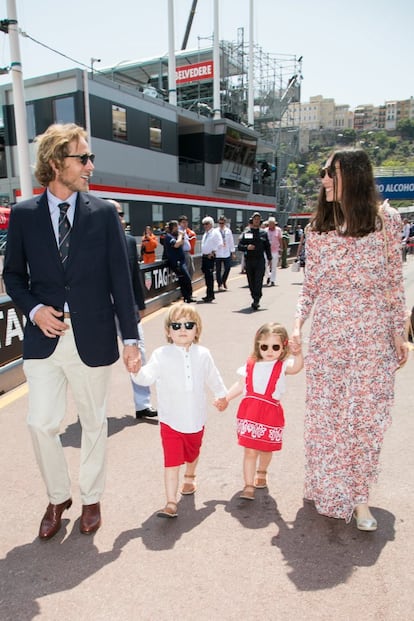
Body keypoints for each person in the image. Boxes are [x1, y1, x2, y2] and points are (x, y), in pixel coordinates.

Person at [3, 123, 141, 539]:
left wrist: (131, 338)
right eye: (82, 158)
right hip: (44, 340)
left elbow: (121, 278)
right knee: (40, 423)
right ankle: (58, 495)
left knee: (94, 423)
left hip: (93, 336)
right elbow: (13, 277)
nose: (90, 167)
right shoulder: (25, 215)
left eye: (90, 158)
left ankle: (91, 497)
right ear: (54, 163)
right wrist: (35, 309)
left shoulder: (102, 214)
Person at [291, 147, 408, 532]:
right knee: (327, 417)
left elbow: (394, 283)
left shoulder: (387, 222)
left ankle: (359, 497)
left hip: (372, 336)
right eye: (324, 172)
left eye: (330, 172)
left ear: (353, 177)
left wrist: (399, 334)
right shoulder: (317, 228)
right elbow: (310, 287)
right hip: (329, 336)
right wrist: (297, 327)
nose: (323, 178)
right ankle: (326, 483)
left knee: (364, 419)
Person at [131, 303, 227, 518]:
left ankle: (190, 477)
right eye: (176, 325)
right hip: (170, 421)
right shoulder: (161, 354)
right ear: (168, 331)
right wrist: (135, 370)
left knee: (193, 452)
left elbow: (214, 377)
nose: (182, 329)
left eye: (188, 324)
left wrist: (222, 395)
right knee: (172, 461)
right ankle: (171, 502)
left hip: (195, 419)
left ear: (197, 329)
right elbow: (145, 377)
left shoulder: (203, 354)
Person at [222, 322, 303, 500]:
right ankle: (248, 485)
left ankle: (262, 471)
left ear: (283, 347)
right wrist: (226, 398)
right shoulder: (251, 364)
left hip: (270, 413)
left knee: (266, 449)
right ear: (258, 344)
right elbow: (241, 384)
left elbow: (297, 368)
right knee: (249, 450)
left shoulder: (282, 366)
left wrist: (298, 354)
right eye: (264, 346)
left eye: (275, 346)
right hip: (250, 412)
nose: (269, 351)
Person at [108, 200, 157, 420]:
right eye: (114, 213)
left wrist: (141, 304)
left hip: (128, 310)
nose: (119, 217)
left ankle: (143, 404)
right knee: (98, 361)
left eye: (121, 213)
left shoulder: (129, 242)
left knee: (139, 355)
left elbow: (136, 275)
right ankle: (94, 411)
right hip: (100, 313)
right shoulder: (89, 243)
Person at [237, 212, 272, 310]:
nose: (256, 221)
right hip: (249, 261)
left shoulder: (263, 233)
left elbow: (267, 247)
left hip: (260, 260)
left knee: (258, 281)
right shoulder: (247, 233)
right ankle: (254, 296)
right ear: (252, 220)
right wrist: (247, 247)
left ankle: (256, 300)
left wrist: (270, 259)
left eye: (258, 219)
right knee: (251, 281)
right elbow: (240, 246)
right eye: (255, 219)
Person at [164, 220, 195, 304]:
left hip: (181, 260)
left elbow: (180, 242)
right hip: (176, 262)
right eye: (177, 227)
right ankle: (187, 296)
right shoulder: (168, 237)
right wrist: (180, 235)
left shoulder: (175, 236)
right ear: (173, 227)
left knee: (184, 279)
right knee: (185, 278)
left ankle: (187, 297)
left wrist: (181, 236)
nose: (178, 229)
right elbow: (176, 244)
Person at [201, 216, 222, 302]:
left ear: (211, 224)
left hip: (210, 257)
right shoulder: (206, 234)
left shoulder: (215, 233)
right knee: (206, 276)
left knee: (209, 276)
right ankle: (208, 294)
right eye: (204, 224)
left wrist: (213, 252)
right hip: (205, 256)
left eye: (207, 224)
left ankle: (210, 295)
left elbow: (220, 244)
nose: (205, 226)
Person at [215, 216, 235, 290]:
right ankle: (219, 284)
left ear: (225, 223)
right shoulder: (215, 231)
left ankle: (223, 281)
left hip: (226, 253)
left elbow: (231, 242)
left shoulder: (228, 231)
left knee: (227, 268)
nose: (221, 224)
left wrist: (232, 252)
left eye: (222, 223)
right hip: (218, 253)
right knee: (218, 270)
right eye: (220, 223)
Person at [265, 216, 282, 286]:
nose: (271, 225)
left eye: (272, 223)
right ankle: (269, 276)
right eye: (270, 223)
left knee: (274, 266)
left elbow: (280, 240)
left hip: (275, 250)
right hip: (266, 250)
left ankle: (272, 280)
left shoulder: (278, 230)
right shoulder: (265, 230)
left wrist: (281, 249)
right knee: (264, 265)